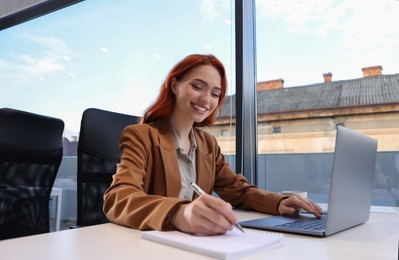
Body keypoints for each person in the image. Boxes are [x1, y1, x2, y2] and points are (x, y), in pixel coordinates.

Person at [103, 54, 322, 235]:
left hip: (196, 244)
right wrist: (178, 213)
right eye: (198, 87)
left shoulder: (207, 143)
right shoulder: (141, 136)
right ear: (174, 85)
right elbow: (118, 198)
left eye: (215, 94)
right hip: (149, 244)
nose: (207, 100)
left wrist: (278, 202)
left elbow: (238, 191)